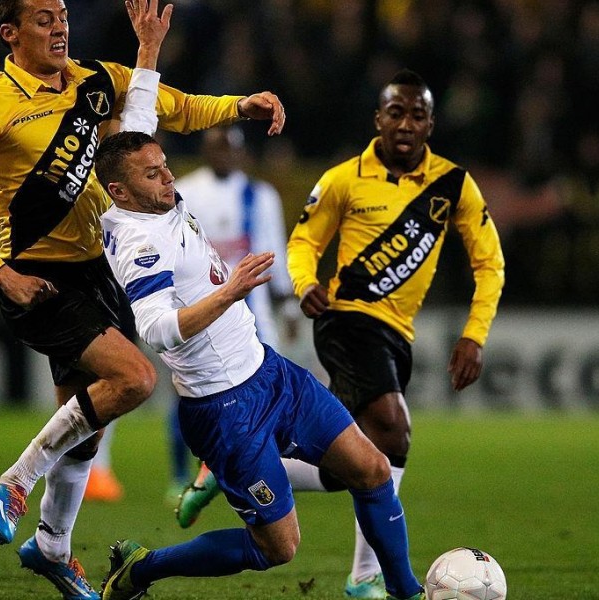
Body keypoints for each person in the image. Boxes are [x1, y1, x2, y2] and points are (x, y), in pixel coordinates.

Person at [0, 1, 286, 598]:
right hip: (37, 278)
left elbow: (173, 107)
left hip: (98, 273)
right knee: (136, 380)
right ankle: (13, 482)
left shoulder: (97, 80)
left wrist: (240, 105)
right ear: (9, 33)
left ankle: (52, 547)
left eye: (62, 14)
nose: (59, 26)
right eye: (42, 18)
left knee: (85, 426)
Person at [94, 130, 426, 600]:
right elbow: (156, 329)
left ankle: (406, 592)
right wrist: (230, 291)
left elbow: (143, 116)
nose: (169, 177)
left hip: (270, 373)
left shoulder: (158, 200)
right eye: (153, 173)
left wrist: (160, 62)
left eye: (165, 165)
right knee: (279, 548)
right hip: (224, 410)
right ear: (119, 192)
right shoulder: (139, 243)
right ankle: (144, 568)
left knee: (372, 468)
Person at [286, 69, 506, 598]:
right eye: (396, 113)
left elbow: (490, 263)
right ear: (378, 120)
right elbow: (304, 240)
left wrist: (474, 334)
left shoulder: (453, 184)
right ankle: (368, 578)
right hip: (346, 319)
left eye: (418, 114)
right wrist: (303, 282)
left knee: (356, 463)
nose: (406, 124)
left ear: (430, 123)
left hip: (396, 336)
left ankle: (251, 464)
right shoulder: (343, 178)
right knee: (393, 427)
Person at [163, 126, 299, 497]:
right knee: (190, 392)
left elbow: (275, 255)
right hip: (199, 310)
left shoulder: (260, 195)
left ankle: (243, 471)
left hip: (253, 315)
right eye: (217, 148)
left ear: (242, 153)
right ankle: (180, 476)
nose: (224, 155)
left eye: (230, 149)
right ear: (206, 151)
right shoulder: (185, 192)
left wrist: (287, 307)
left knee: (263, 392)